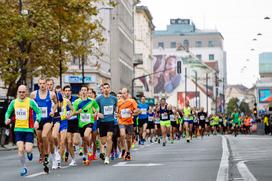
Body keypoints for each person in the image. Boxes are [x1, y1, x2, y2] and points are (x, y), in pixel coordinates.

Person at [5, 85, 41, 176]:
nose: (21, 93)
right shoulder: (14, 102)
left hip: (29, 129)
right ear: (18, 92)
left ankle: (29, 152)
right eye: (20, 92)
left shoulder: (31, 102)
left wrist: (37, 121)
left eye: (23, 92)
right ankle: (24, 167)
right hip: (18, 129)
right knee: (21, 149)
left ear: (26, 92)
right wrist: (7, 119)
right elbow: (8, 112)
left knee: (28, 149)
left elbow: (39, 112)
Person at [30, 78, 58, 173]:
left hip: (48, 119)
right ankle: (43, 157)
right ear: (38, 84)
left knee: (44, 136)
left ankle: (47, 156)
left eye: (44, 83)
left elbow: (56, 103)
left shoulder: (51, 94)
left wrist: (53, 111)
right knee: (40, 142)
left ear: (46, 84)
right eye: (40, 83)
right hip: (38, 120)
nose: (42, 85)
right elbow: (30, 106)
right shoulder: (33, 94)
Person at [73, 85, 99, 165]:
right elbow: (74, 112)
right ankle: (86, 155)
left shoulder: (92, 101)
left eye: (85, 90)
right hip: (81, 123)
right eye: (82, 90)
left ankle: (89, 147)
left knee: (86, 135)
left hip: (89, 122)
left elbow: (97, 107)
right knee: (84, 140)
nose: (84, 91)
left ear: (87, 92)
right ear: (80, 92)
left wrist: (96, 113)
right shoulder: (77, 101)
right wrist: (78, 112)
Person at [96, 83, 118, 164]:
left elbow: (116, 107)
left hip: (111, 121)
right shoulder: (98, 99)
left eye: (107, 88)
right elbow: (94, 107)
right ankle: (105, 148)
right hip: (102, 122)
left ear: (109, 89)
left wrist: (116, 111)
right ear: (102, 89)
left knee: (109, 138)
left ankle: (107, 157)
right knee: (103, 142)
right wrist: (98, 113)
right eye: (104, 88)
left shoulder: (114, 98)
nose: (106, 89)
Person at [116, 88, 138, 160]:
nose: (123, 95)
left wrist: (132, 112)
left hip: (129, 122)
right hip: (121, 121)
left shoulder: (132, 101)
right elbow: (117, 112)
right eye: (122, 93)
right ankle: (123, 149)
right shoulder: (119, 102)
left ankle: (128, 152)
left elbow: (136, 110)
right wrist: (117, 115)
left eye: (124, 93)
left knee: (129, 139)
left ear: (127, 93)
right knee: (122, 135)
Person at [63, 85, 80, 166]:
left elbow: (79, 110)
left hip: (75, 121)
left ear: (71, 92)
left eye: (69, 90)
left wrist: (72, 113)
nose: (67, 92)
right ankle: (73, 159)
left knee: (76, 142)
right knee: (69, 142)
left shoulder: (75, 99)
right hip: (67, 123)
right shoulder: (62, 101)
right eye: (66, 90)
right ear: (63, 92)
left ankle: (79, 147)